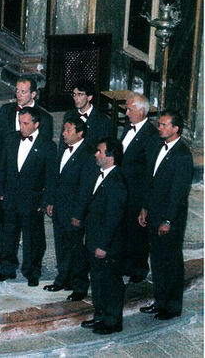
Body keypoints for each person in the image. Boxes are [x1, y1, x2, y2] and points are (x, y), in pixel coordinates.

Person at [0, 76, 53, 264]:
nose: (18, 94)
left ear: (33, 94)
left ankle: (33, 262)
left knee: (32, 225)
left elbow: (44, 152)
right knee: (5, 217)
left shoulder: (45, 118)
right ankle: (5, 254)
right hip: (8, 173)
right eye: (17, 90)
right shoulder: (6, 110)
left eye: (23, 91)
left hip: (30, 182)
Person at [138, 110, 193, 320]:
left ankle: (172, 306)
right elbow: (150, 182)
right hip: (153, 213)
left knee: (170, 262)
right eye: (159, 124)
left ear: (175, 129)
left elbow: (178, 195)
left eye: (163, 125)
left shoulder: (182, 156)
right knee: (157, 261)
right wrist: (144, 208)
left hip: (169, 219)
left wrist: (168, 220)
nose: (159, 128)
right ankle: (159, 300)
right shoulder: (156, 147)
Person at [0, 107, 56, 287]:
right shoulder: (11, 138)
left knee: (33, 238)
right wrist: (0, 191)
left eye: (26, 123)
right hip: (10, 198)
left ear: (36, 125)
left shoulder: (47, 146)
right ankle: (7, 269)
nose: (21, 127)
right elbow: (3, 166)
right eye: (20, 122)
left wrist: (45, 201)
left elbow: (50, 177)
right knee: (8, 235)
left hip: (32, 201)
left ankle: (32, 271)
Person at [74, 138, 127, 335]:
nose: (96, 154)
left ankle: (113, 321)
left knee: (110, 282)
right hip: (95, 238)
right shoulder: (101, 175)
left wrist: (103, 245)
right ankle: (100, 315)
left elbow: (113, 218)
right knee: (97, 280)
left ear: (111, 157)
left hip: (108, 244)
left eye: (100, 151)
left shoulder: (116, 182)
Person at [44, 117, 95, 301]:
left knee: (77, 249)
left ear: (80, 133)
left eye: (68, 130)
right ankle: (63, 279)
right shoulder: (63, 149)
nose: (63, 134)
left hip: (74, 212)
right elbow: (54, 177)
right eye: (64, 130)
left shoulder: (88, 154)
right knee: (61, 246)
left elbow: (86, 188)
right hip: (59, 207)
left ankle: (79, 285)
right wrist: (50, 200)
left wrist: (78, 214)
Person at [119, 92, 160, 283]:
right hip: (123, 188)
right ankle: (125, 263)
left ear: (142, 112)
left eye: (130, 109)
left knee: (137, 232)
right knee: (124, 228)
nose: (126, 113)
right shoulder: (129, 127)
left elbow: (150, 171)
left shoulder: (151, 136)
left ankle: (139, 267)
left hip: (137, 191)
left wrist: (145, 202)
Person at [59, 79, 112, 151]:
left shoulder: (102, 121)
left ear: (89, 97)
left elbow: (102, 149)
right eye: (74, 94)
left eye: (80, 94)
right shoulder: (69, 115)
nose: (76, 98)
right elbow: (62, 143)